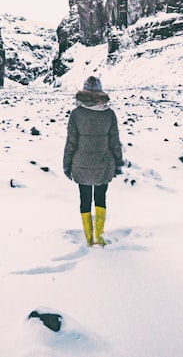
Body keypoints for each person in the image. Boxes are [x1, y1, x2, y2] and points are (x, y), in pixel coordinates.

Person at [62, 75, 123, 246]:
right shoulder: (109, 114)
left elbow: (71, 142)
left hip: (81, 164)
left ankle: (89, 238)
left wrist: (67, 165)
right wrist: (118, 163)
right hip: (104, 163)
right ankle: (99, 236)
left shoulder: (76, 114)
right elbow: (114, 142)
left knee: (85, 198)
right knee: (101, 197)